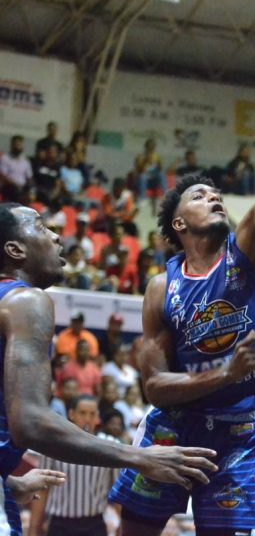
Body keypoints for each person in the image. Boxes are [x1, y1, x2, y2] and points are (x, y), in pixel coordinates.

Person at [107, 49, 255, 536]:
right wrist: (225, 372)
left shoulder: (249, 251)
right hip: (173, 430)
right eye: (199, 195)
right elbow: (154, 386)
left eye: (215, 192)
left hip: (235, 436)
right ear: (178, 224)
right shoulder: (160, 288)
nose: (213, 195)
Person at [0, 203, 217, 536]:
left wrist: (8, 483)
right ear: (15, 249)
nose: (57, 236)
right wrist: (139, 457)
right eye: (42, 227)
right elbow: (29, 422)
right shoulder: (24, 301)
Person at [27, 395, 120, 536]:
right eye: (82, 413)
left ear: (97, 417)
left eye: (92, 414)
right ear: (71, 414)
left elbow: (118, 490)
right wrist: (34, 528)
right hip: (60, 524)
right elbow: (42, 489)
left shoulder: (110, 445)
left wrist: (122, 525)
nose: (87, 418)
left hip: (94, 524)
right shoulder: (54, 445)